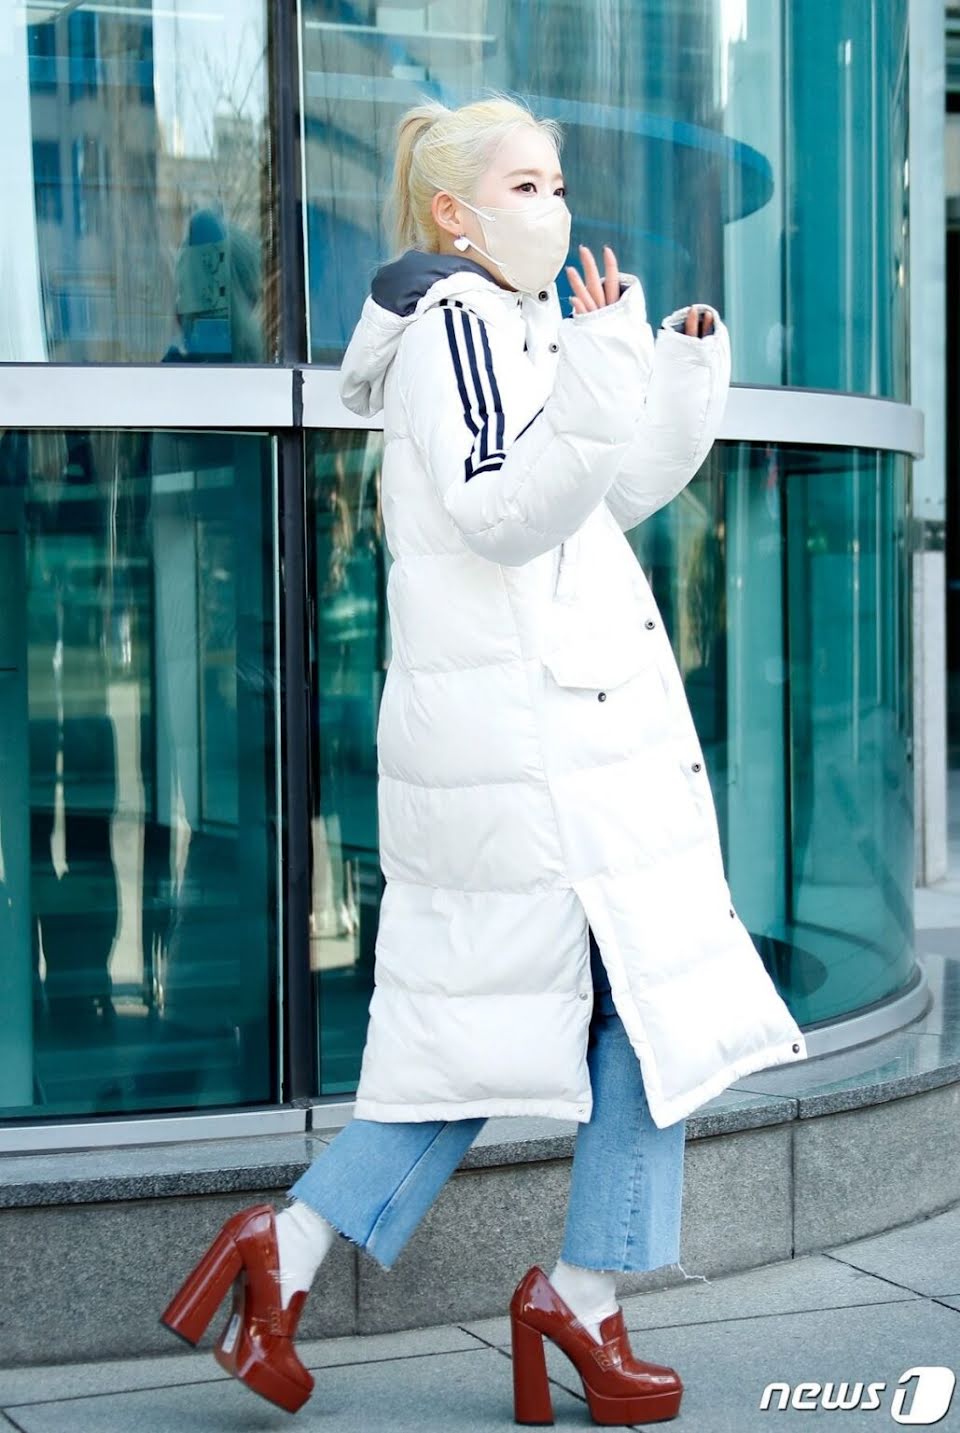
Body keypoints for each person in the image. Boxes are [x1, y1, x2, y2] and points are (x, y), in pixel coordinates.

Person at [159, 90, 807, 1422]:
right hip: (524, 757)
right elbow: (505, 507)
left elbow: (603, 498)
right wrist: (602, 369)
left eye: (556, 184)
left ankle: (302, 1252)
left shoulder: (517, 322)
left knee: (517, 1026)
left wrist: (665, 371)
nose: (553, 208)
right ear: (453, 212)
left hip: (553, 748)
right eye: (524, 187)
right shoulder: (455, 320)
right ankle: (568, 1294)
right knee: (607, 1015)